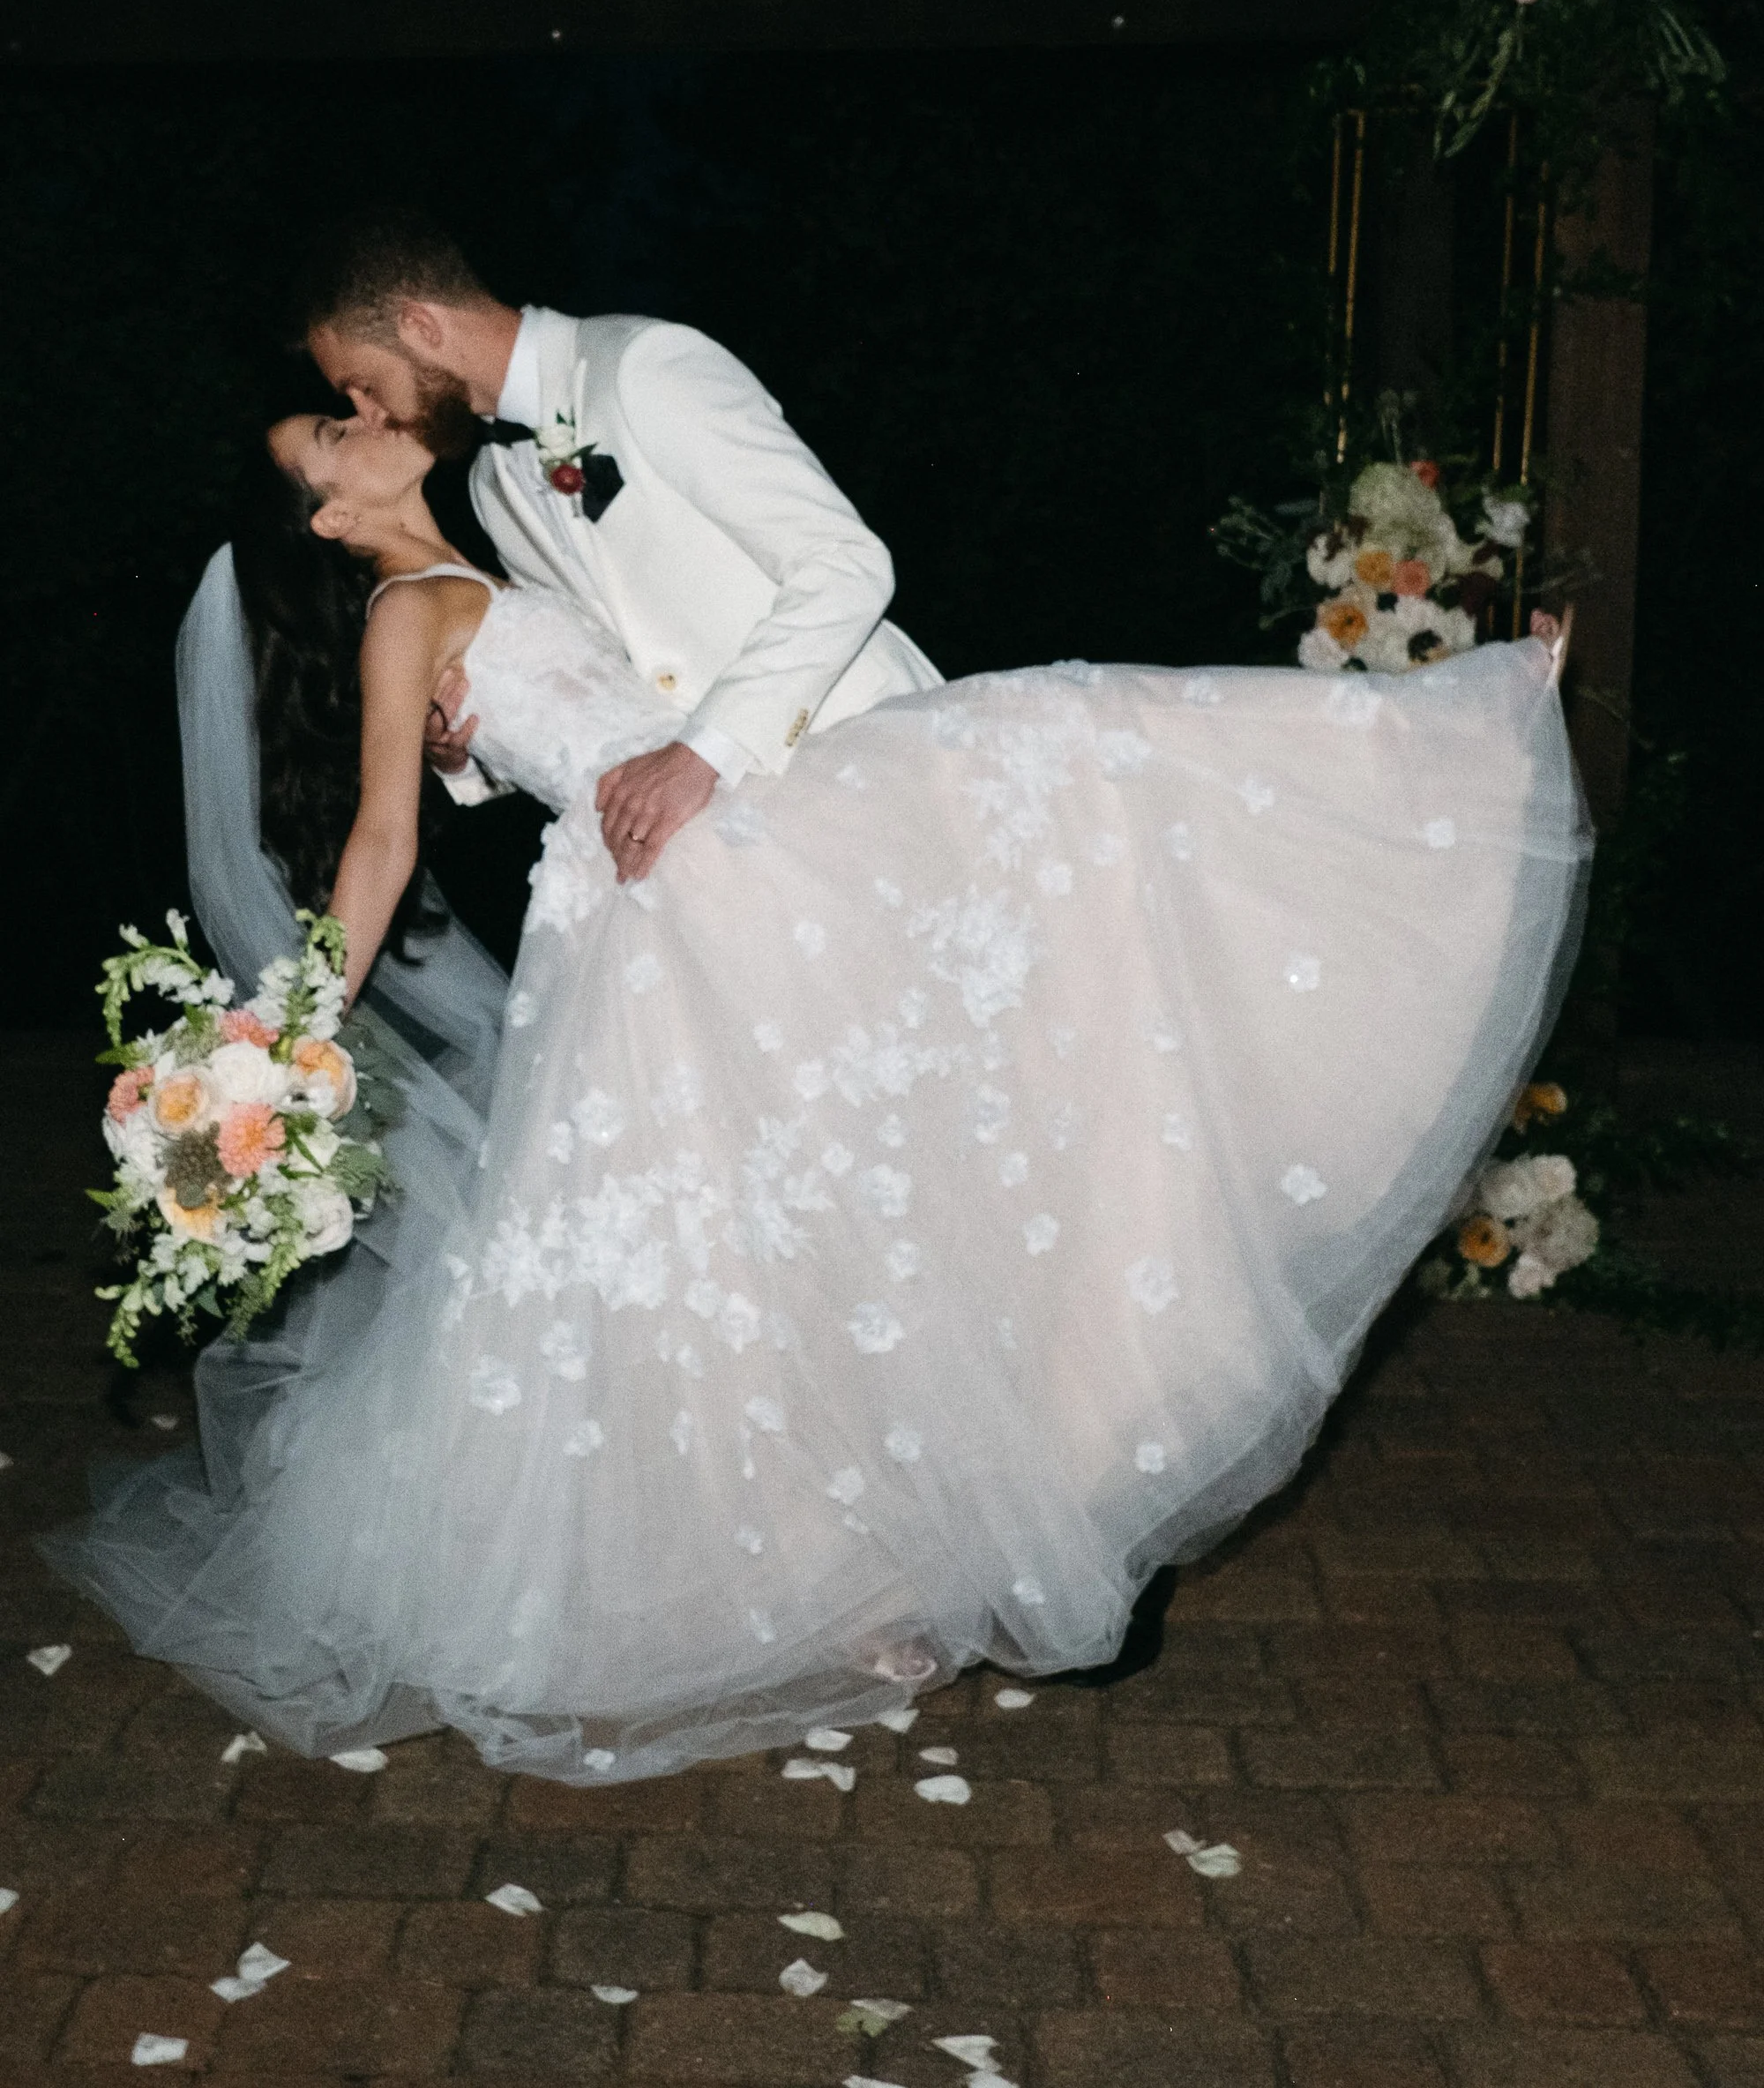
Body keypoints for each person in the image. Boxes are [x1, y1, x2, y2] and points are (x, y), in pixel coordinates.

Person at [45, 398, 1589, 1784]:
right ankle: (843, 1564)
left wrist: (477, 748)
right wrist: (298, 1030)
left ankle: (865, 1558)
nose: (358, 416)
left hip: (727, 857)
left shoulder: (484, 561)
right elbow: (384, 838)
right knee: (789, 1179)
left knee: (993, 879)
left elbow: (507, 733)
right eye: (330, 436)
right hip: (675, 903)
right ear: (329, 513)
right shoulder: (400, 613)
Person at [295, 206, 943, 887]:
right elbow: (602, 675)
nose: (369, 415)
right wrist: (467, 759)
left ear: (420, 326)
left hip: (876, 757)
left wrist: (704, 751)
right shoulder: (492, 486)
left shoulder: (641, 364)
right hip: (748, 851)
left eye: (362, 386)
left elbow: (846, 564)